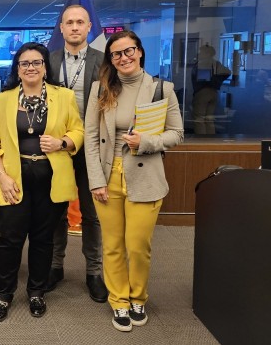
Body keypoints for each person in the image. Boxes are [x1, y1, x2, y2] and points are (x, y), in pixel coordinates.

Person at [84, 31, 184, 332]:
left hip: (145, 176)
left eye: (129, 51)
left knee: (138, 245)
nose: (123, 58)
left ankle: (138, 296)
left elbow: (176, 134)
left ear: (140, 52)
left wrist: (146, 141)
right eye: (116, 54)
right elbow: (90, 136)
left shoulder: (161, 88)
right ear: (110, 60)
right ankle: (119, 301)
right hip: (107, 174)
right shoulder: (100, 89)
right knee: (112, 244)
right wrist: (95, 180)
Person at [0, 42, 84, 322]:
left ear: (44, 67)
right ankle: (3, 295)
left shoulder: (63, 96)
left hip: (51, 178)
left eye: (36, 63)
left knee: (43, 239)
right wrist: (2, 176)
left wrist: (63, 141)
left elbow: (78, 129)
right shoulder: (1, 100)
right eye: (25, 63)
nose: (30, 68)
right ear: (17, 68)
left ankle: (37, 292)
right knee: (10, 240)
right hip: (12, 179)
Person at [46, 4, 108, 303]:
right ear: (61, 28)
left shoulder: (104, 60)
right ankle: (55, 266)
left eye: (80, 22)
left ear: (88, 27)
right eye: (68, 22)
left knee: (91, 212)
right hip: (58, 146)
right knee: (56, 209)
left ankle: (94, 272)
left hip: (92, 147)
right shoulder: (49, 59)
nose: (74, 27)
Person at [191, 45, 230, 134]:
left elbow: (204, 79)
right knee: (209, 119)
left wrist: (210, 81)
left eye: (201, 52)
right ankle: (210, 141)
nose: (199, 54)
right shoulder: (216, 63)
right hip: (214, 92)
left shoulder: (202, 63)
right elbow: (228, 72)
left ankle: (201, 142)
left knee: (199, 119)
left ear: (207, 53)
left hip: (202, 92)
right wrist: (217, 81)